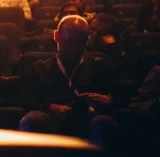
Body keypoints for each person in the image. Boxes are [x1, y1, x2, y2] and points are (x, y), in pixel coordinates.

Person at [17, 15, 119, 149]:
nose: (75, 48)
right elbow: (24, 99)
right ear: (56, 36)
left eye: (81, 42)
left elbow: (121, 94)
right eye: (69, 41)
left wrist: (108, 99)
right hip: (52, 119)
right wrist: (49, 107)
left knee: (104, 122)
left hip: (88, 119)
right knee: (32, 120)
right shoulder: (38, 68)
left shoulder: (100, 66)